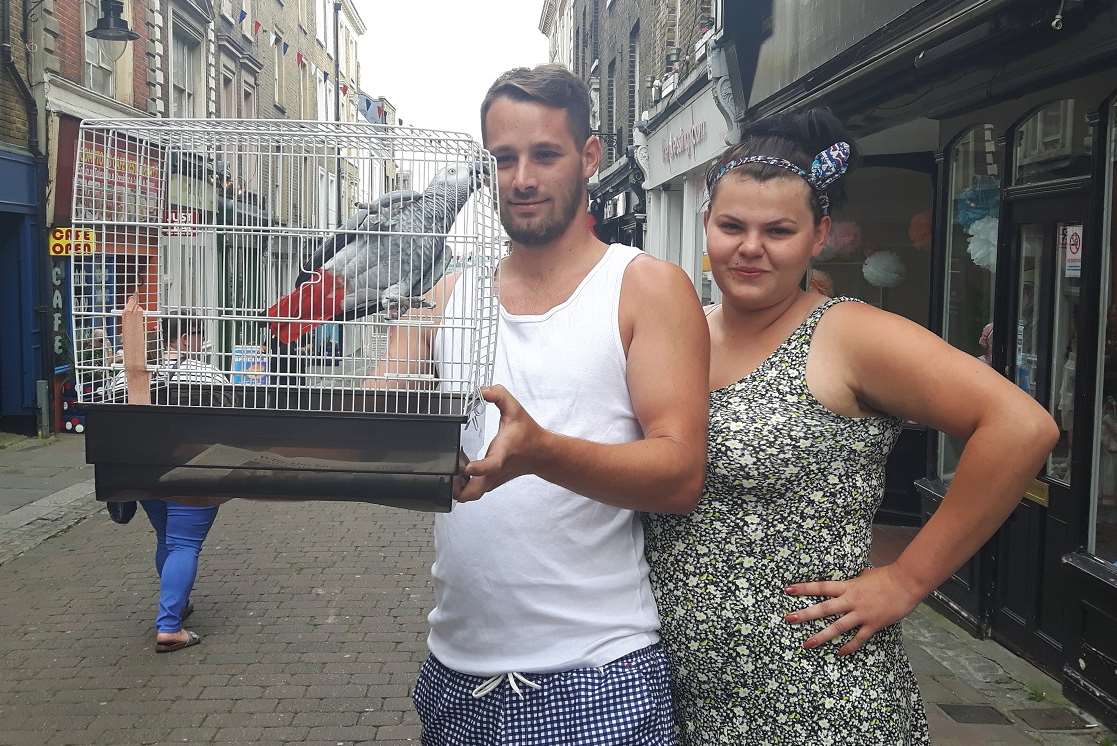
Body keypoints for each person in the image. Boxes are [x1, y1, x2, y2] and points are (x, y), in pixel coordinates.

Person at [643, 110, 1059, 744]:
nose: (750, 247)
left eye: (778, 230)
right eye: (732, 226)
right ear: (706, 225)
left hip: (818, 698)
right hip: (681, 692)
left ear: (820, 235)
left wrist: (908, 578)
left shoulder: (848, 333)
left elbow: (1021, 426)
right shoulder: (682, 330)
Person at [368, 65, 709, 744]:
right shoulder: (448, 298)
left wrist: (540, 454)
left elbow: (680, 477)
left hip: (596, 672)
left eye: (544, 154)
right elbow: (374, 427)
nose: (520, 178)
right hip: (455, 673)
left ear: (588, 157)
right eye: (503, 158)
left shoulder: (645, 287)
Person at [119, 299, 228, 652]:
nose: (202, 342)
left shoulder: (133, 370)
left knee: (166, 538)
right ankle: (169, 626)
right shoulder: (206, 374)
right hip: (193, 470)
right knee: (184, 543)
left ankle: (177, 603)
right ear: (187, 337)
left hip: (145, 470)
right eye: (198, 334)